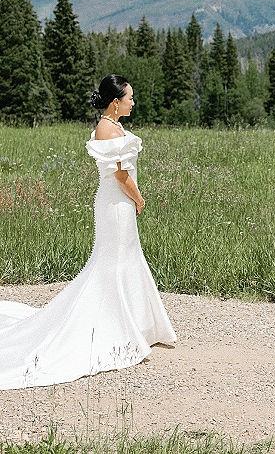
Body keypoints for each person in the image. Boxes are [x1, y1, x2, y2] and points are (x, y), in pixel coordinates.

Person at [0, 75, 176, 388]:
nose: (133, 102)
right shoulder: (106, 128)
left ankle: (136, 325)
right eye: (130, 97)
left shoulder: (116, 126)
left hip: (120, 203)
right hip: (115, 203)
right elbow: (119, 174)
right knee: (111, 264)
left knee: (126, 261)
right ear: (115, 101)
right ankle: (114, 327)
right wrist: (139, 198)